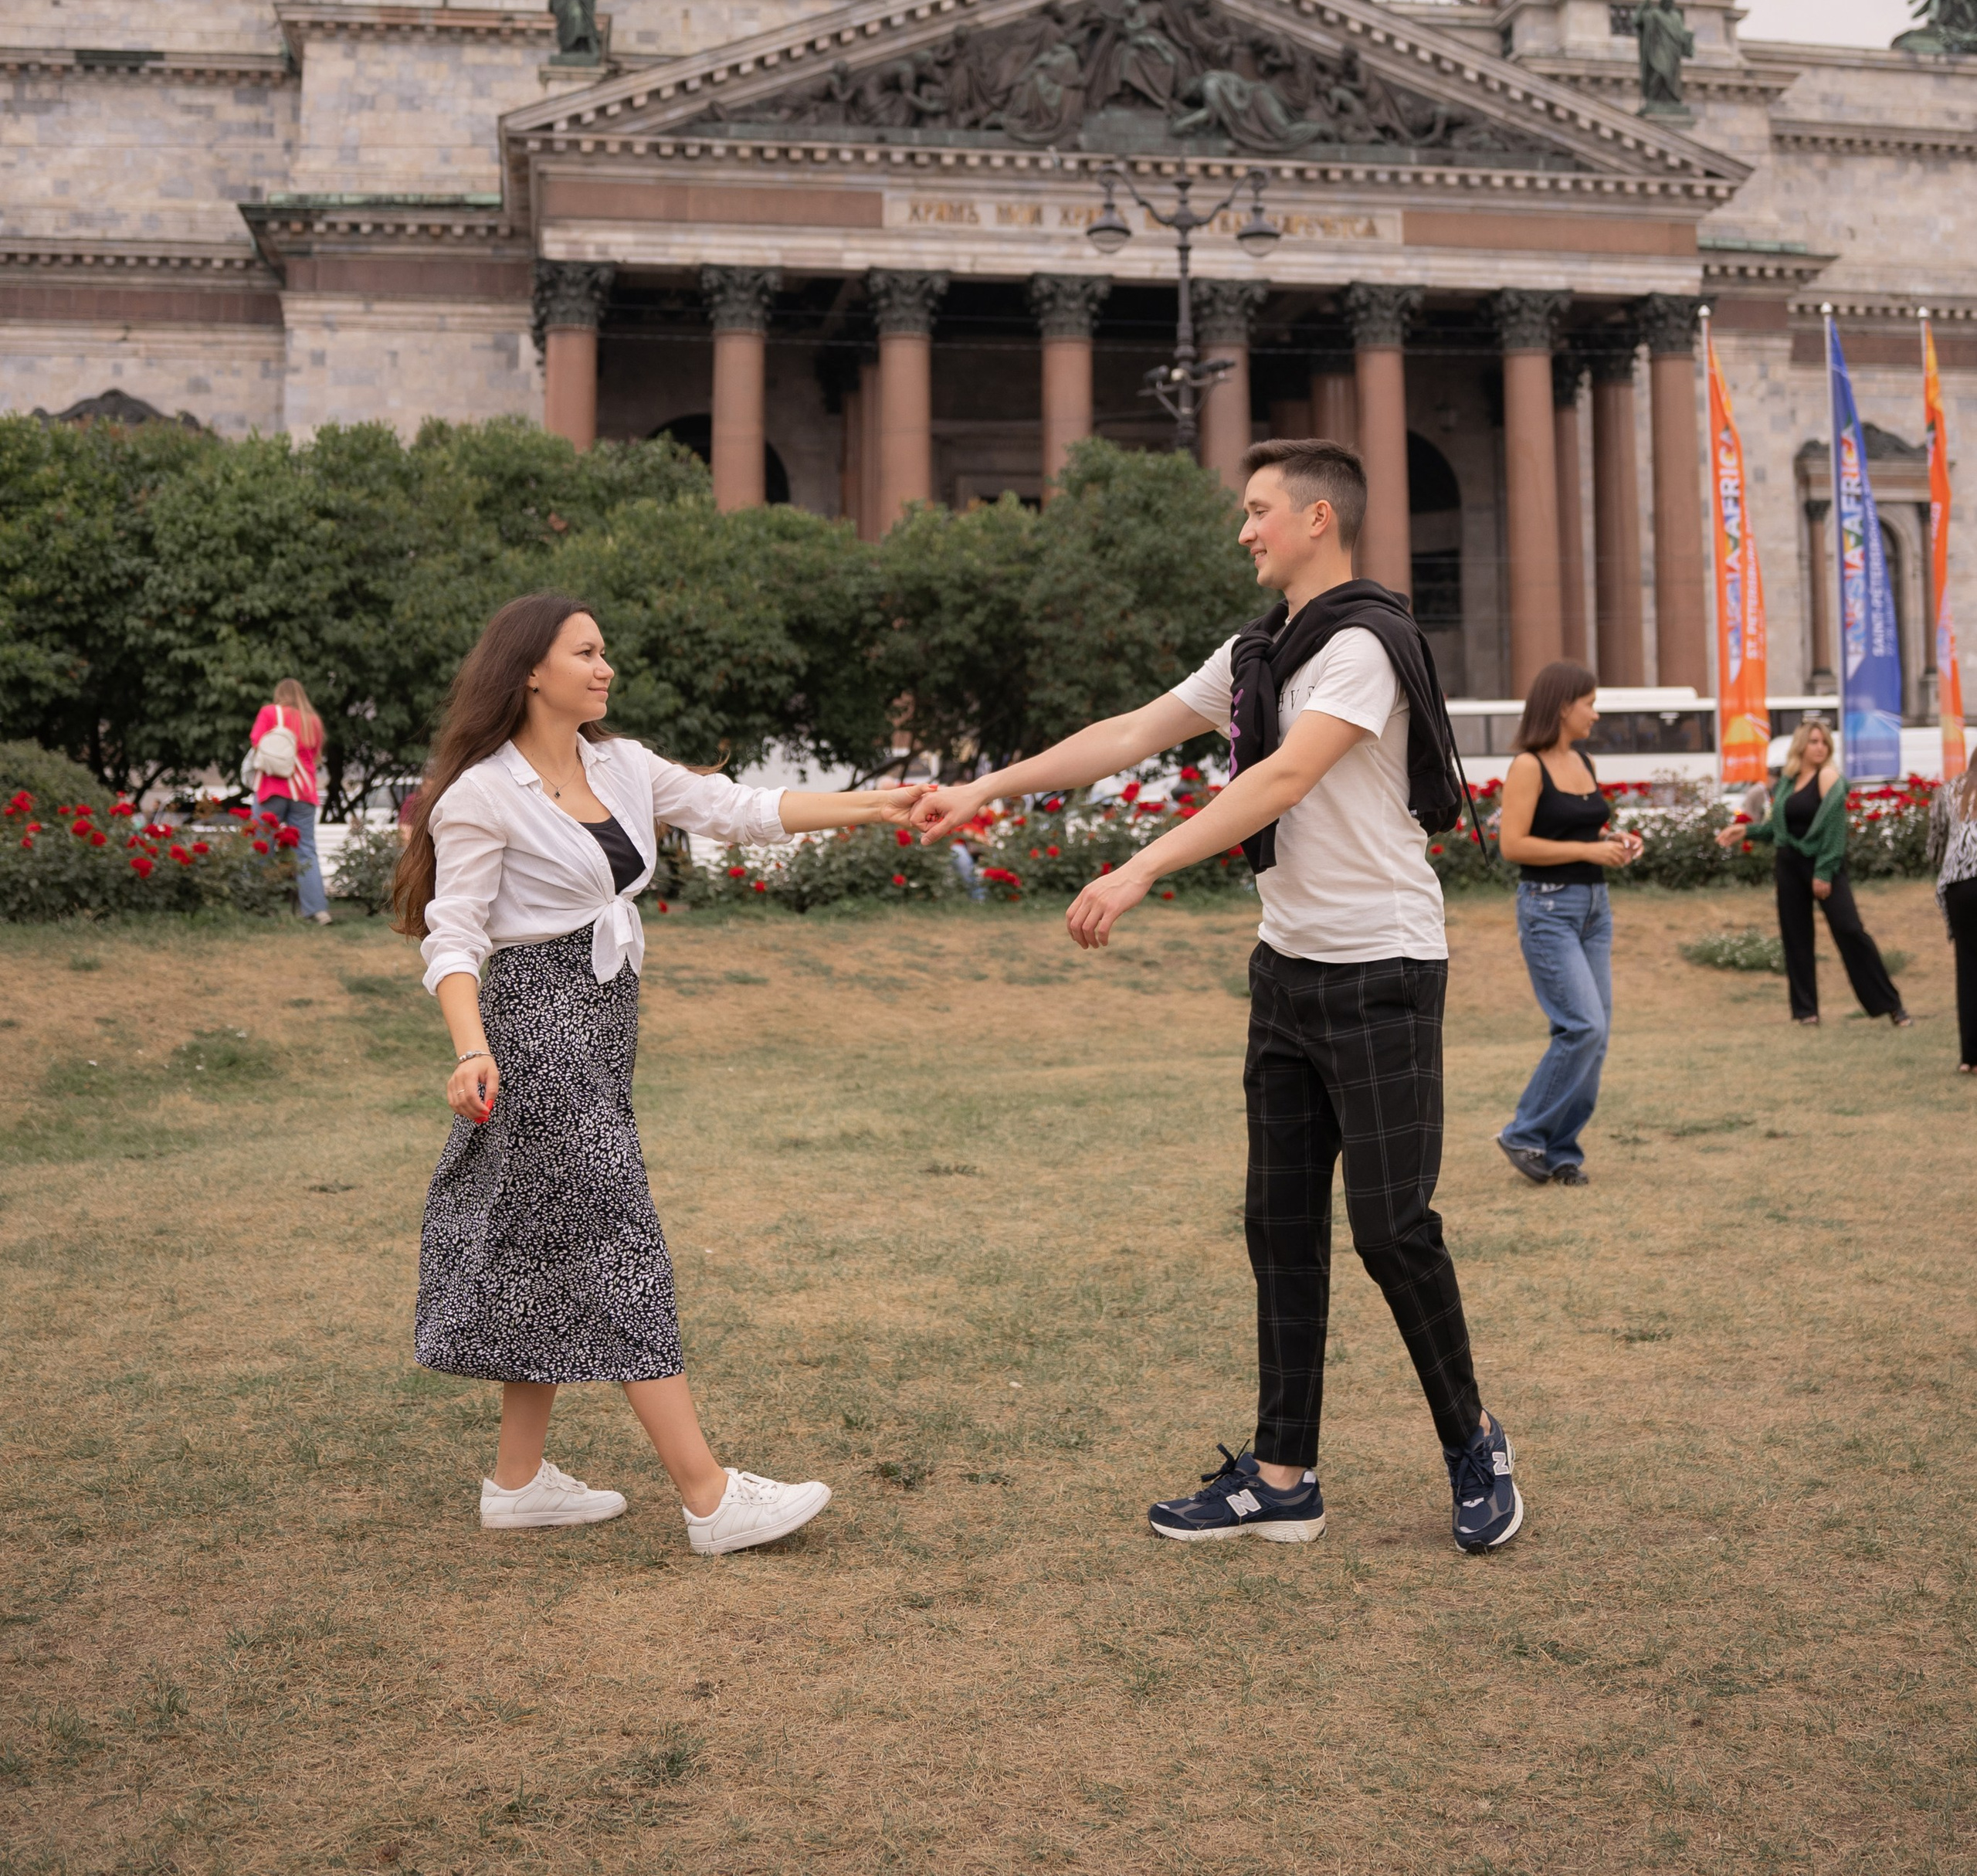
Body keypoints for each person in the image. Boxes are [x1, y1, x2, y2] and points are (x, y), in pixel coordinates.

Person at [915, 439, 1524, 1558]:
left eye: (1257, 511)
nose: (1243, 530)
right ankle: (1284, 1474)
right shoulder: (1260, 653)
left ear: (1318, 523)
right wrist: (981, 790)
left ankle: (1473, 1440)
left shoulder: (1362, 646)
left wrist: (1141, 866)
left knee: (1393, 1231)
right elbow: (1128, 735)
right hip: (1286, 972)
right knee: (1278, 1227)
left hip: (1384, 970)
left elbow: (1284, 778)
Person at [394, 590, 932, 1548]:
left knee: (545, 1240)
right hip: (532, 1027)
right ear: (529, 670)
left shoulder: (622, 764)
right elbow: (455, 934)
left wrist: (880, 804)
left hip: (603, 1026)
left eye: (605, 654)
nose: (605, 669)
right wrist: (470, 1047)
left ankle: (518, 1484)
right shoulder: (482, 792)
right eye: (586, 654)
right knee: (618, 1235)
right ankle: (709, 1494)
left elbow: (743, 810)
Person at [1494, 662, 1643, 1187]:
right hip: (1548, 908)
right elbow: (1513, 845)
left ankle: (1561, 1152)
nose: (1595, 713)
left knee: (1594, 1036)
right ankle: (1523, 1133)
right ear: (1563, 706)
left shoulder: (1582, 760)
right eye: (1590, 703)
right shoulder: (1528, 766)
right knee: (1583, 1025)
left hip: (1594, 909)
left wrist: (1617, 842)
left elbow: (1584, 829)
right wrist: (1587, 849)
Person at [1718, 719, 1911, 1028]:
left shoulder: (1828, 777)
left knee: (1850, 931)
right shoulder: (1785, 783)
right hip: (1788, 866)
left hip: (1824, 865)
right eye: (1814, 742)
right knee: (1796, 939)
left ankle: (1892, 1006)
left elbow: (1834, 832)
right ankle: (1806, 1011)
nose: (1820, 747)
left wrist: (1823, 872)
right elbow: (1778, 830)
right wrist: (1746, 830)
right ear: (1801, 746)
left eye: (1824, 742)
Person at [248, 679, 329, 924]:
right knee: (306, 851)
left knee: (261, 847)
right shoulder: (312, 720)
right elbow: (314, 756)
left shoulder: (269, 712)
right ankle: (317, 911)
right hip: (304, 792)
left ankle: (256, 903)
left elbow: (256, 741)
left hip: (273, 787)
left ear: (279, 694)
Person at [1927, 755, 1977, 1074]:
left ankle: (1969, 1058)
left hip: (1958, 887)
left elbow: (1935, 844)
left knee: (1968, 968)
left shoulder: (1949, 790)